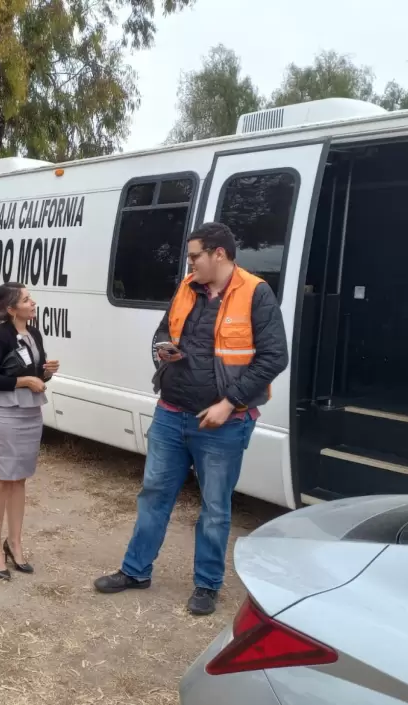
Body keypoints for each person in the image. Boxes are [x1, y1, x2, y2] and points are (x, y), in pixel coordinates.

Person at [94, 223, 289, 616]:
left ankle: (207, 585)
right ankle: (135, 571)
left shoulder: (255, 292)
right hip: (170, 412)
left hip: (223, 423)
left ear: (219, 254)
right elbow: (163, 332)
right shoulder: (187, 287)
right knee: (153, 497)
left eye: (195, 256)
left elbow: (274, 357)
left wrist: (229, 403)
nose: (190, 263)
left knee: (215, 508)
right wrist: (163, 353)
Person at [0, 283, 59, 580]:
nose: (32, 302)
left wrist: (45, 372)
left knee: (20, 480)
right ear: (11, 309)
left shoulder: (34, 333)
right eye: (26, 299)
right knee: (2, 479)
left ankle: (14, 543)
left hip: (29, 412)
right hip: (5, 413)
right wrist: (25, 382)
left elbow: (33, 374)